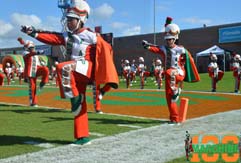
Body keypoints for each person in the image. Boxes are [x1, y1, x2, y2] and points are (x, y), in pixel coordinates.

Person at [21, 0, 118, 145]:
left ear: (81, 20)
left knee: (62, 67)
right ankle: (82, 137)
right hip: (75, 72)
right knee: (81, 104)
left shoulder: (91, 35)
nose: (69, 22)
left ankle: (75, 99)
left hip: (86, 68)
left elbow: (106, 50)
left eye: (71, 19)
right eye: (68, 19)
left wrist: (105, 72)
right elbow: (51, 37)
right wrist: (33, 33)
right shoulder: (66, 35)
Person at [142, 17, 200, 124]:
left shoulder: (181, 49)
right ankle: (174, 118)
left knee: (169, 72)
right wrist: (146, 46)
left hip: (178, 73)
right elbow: (155, 49)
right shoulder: (163, 49)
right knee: (169, 98)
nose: (168, 41)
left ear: (175, 39)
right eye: (167, 39)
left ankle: (176, 90)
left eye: (170, 39)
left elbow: (189, 60)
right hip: (169, 77)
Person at [17, 37, 49, 107]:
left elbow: (36, 61)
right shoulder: (25, 53)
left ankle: (43, 83)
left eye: (33, 47)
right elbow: (29, 54)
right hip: (30, 72)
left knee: (46, 69)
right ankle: (33, 102)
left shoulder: (34, 53)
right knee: (32, 87)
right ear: (28, 48)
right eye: (31, 47)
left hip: (36, 69)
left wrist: (42, 63)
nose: (33, 48)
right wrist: (37, 52)